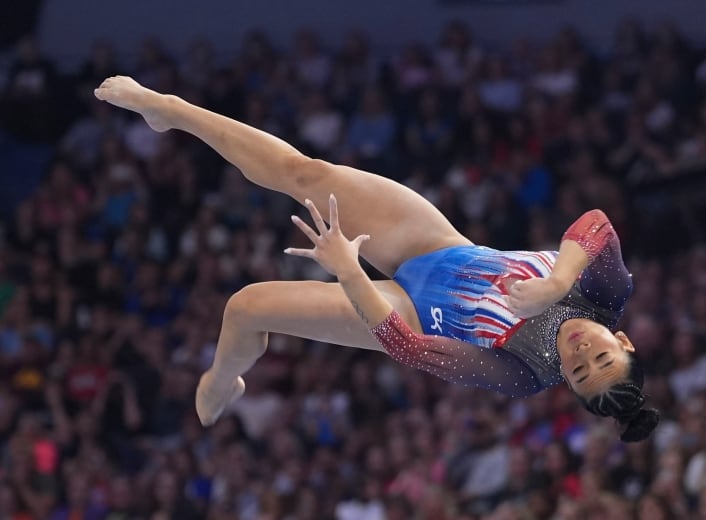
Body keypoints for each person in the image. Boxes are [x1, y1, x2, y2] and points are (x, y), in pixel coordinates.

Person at [94, 76, 659, 442]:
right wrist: (560, 279)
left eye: (579, 374)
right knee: (307, 173)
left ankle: (221, 383)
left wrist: (347, 270)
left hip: (407, 310)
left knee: (245, 308)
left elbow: (411, 348)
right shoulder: (605, 296)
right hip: (440, 249)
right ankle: (170, 110)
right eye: (601, 358)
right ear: (622, 341)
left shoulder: (525, 374)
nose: (581, 355)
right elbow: (597, 224)